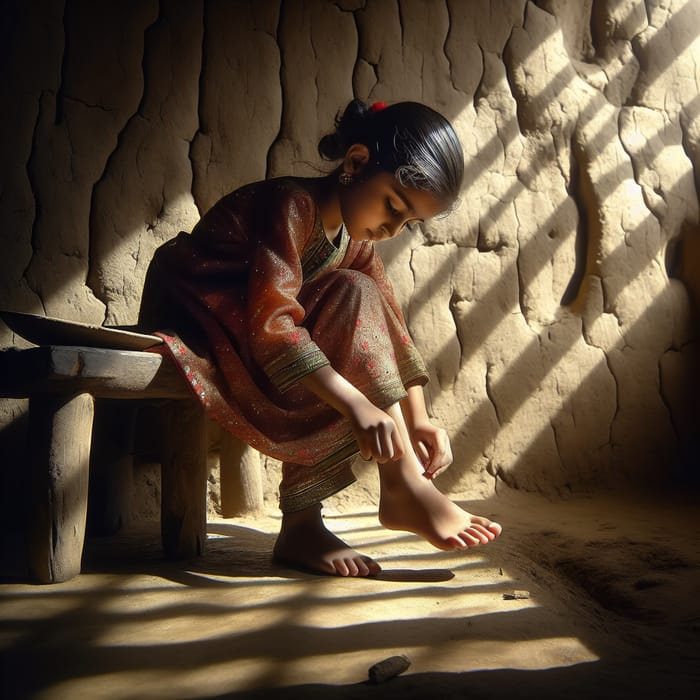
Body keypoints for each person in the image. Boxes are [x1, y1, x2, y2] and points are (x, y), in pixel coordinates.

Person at [139, 98, 502, 577]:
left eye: (408, 222)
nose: (393, 228)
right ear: (355, 163)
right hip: (202, 322)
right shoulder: (290, 206)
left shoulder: (355, 242)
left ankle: (315, 522)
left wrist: (420, 419)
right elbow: (271, 325)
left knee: (360, 293)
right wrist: (356, 404)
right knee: (345, 319)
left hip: (261, 339)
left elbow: (391, 326)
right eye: (394, 205)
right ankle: (397, 487)